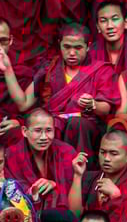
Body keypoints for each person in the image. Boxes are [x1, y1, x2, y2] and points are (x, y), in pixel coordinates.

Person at [1, 23, 120, 159]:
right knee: (26, 132)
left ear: (88, 46)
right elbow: (24, 103)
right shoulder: (50, 68)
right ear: (60, 44)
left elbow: (105, 108)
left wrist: (93, 104)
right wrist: (8, 69)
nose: (71, 53)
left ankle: (79, 173)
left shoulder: (101, 70)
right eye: (67, 47)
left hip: (85, 128)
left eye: (78, 48)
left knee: (76, 124)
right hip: (53, 125)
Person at [69, 130, 127, 222]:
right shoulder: (90, 178)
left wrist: (116, 197)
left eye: (113, 153)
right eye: (103, 152)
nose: (106, 158)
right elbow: (74, 214)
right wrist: (78, 176)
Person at [3, 108, 77, 211]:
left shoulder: (66, 152)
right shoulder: (12, 155)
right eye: (38, 131)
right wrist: (33, 192)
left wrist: (55, 185)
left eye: (48, 130)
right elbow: (11, 190)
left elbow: (73, 190)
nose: (44, 137)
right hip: (24, 216)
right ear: (24, 131)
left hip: (59, 217)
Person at [0, 18, 34, 146]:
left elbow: (32, 111)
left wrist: (18, 122)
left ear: (11, 41)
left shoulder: (23, 73)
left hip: (7, 131)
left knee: (21, 135)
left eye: (2, 41)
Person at [88, 1, 127, 74]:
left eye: (115, 19)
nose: (109, 26)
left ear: (126, 22)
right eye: (103, 21)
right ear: (98, 27)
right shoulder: (91, 52)